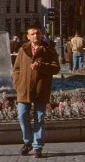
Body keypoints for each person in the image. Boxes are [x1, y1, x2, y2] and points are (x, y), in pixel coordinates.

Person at [12, 25, 60, 158]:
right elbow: (16, 69)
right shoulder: (23, 50)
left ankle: (37, 146)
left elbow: (56, 68)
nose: (35, 36)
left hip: (41, 88)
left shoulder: (48, 50)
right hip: (24, 89)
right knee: (22, 116)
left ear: (41, 34)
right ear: (28, 36)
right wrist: (18, 84)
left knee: (39, 118)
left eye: (37, 33)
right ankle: (27, 142)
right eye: (32, 34)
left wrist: (42, 66)